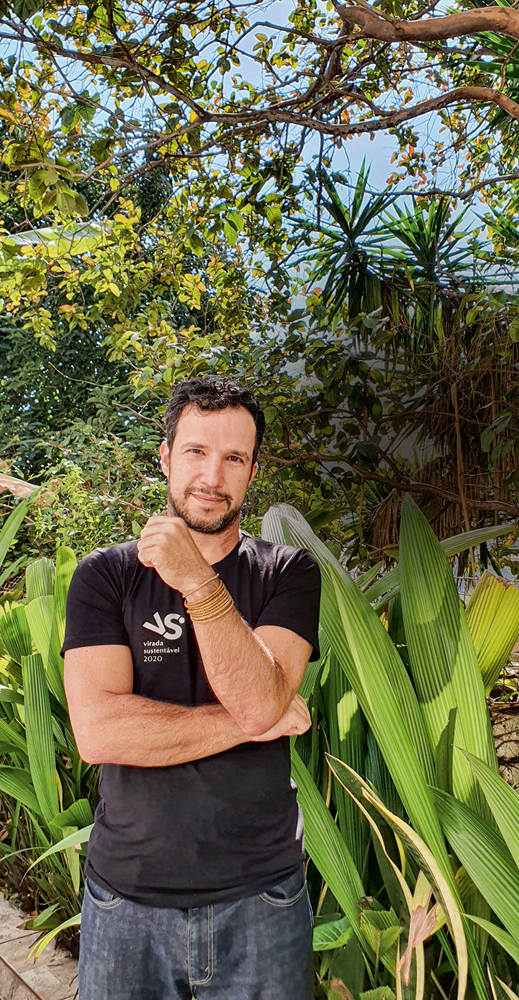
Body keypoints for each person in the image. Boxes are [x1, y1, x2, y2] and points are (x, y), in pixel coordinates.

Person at [62, 377, 322, 1000]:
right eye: (197, 451)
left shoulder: (287, 573)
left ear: (253, 470)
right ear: (165, 456)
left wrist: (197, 583)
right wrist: (258, 717)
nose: (213, 474)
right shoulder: (105, 577)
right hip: (126, 901)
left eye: (234, 457)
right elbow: (99, 733)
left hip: (261, 898)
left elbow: (262, 701)